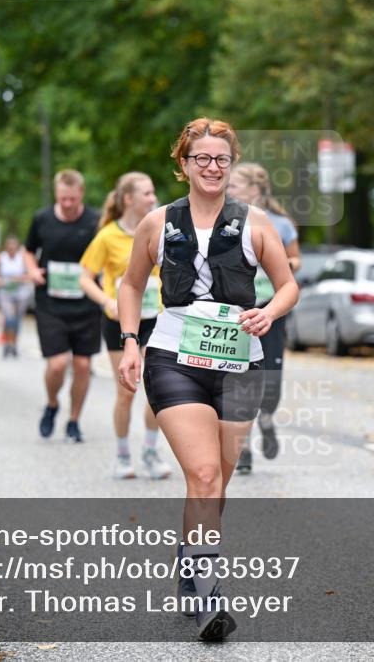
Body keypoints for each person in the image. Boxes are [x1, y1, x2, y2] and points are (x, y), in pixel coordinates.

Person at [117, 118, 298, 640]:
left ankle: (190, 558)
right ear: (184, 165)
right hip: (174, 356)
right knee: (201, 473)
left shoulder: (256, 221)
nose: (213, 168)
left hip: (240, 358)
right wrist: (132, 340)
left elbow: (288, 285)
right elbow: (130, 286)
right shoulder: (157, 223)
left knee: (216, 480)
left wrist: (269, 312)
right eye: (202, 159)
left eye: (221, 159)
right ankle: (208, 594)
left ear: (231, 164)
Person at [79, 172, 171, 479]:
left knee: (158, 387)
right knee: (127, 392)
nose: (153, 198)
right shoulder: (107, 236)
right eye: (147, 193)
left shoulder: (160, 229)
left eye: (153, 192)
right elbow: (85, 277)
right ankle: (121, 455)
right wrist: (106, 302)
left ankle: (149, 449)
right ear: (128, 198)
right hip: (119, 322)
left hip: (155, 319)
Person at [227, 162, 301, 474]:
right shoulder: (224, 219)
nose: (227, 190)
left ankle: (267, 417)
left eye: (234, 186)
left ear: (254, 191)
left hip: (271, 308)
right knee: (237, 373)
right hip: (236, 311)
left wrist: (279, 264)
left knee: (269, 375)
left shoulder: (281, 224)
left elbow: (296, 258)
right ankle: (242, 447)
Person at [24, 170, 102, 442]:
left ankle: (74, 420)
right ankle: (52, 404)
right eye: (62, 198)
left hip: (86, 302)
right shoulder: (42, 218)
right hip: (51, 302)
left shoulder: (96, 220)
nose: (67, 204)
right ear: (57, 195)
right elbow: (28, 251)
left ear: (81, 194)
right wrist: (32, 270)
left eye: (71, 198)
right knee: (57, 364)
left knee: (82, 365)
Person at [0, 235, 32, 358]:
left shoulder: (23, 259)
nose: (11, 247)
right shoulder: (1, 258)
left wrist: (19, 279)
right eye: (9, 245)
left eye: (13, 245)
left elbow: (30, 275)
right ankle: (7, 342)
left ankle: (14, 344)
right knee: (9, 318)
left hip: (21, 293)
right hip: (6, 292)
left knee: (17, 321)